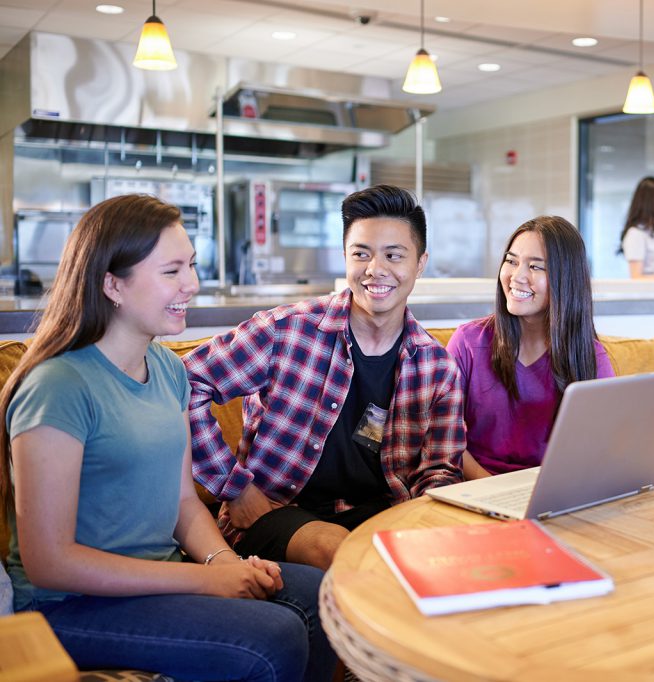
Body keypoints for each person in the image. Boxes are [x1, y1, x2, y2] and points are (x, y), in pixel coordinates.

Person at [0, 194, 335, 681]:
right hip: (69, 605)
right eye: (172, 270)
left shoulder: (167, 368)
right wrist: (205, 580)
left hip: (158, 577)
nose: (192, 285)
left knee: (322, 595)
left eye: (192, 266)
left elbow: (182, 502)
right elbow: (50, 562)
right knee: (274, 636)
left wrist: (226, 562)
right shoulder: (59, 386)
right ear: (113, 284)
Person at [185, 184, 465, 570]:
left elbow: (440, 470)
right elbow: (185, 384)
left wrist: (422, 528)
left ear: (420, 263)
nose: (375, 269)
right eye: (361, 254)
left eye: (393, 255)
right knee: (335, 547)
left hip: (381, 516)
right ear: (345, 258)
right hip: (276, 509)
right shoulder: (286, 331)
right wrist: (233, 488)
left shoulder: (436, 368)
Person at [447, 216, 615, 479]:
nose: (517, 276)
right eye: (511, 261)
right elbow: (443, 433)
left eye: (536, 267)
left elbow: (601, 449)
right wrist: (489, 488)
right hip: (476, 486)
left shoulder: (591, 356)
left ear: (565, 279)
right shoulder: (469, 341)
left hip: (551, 490)